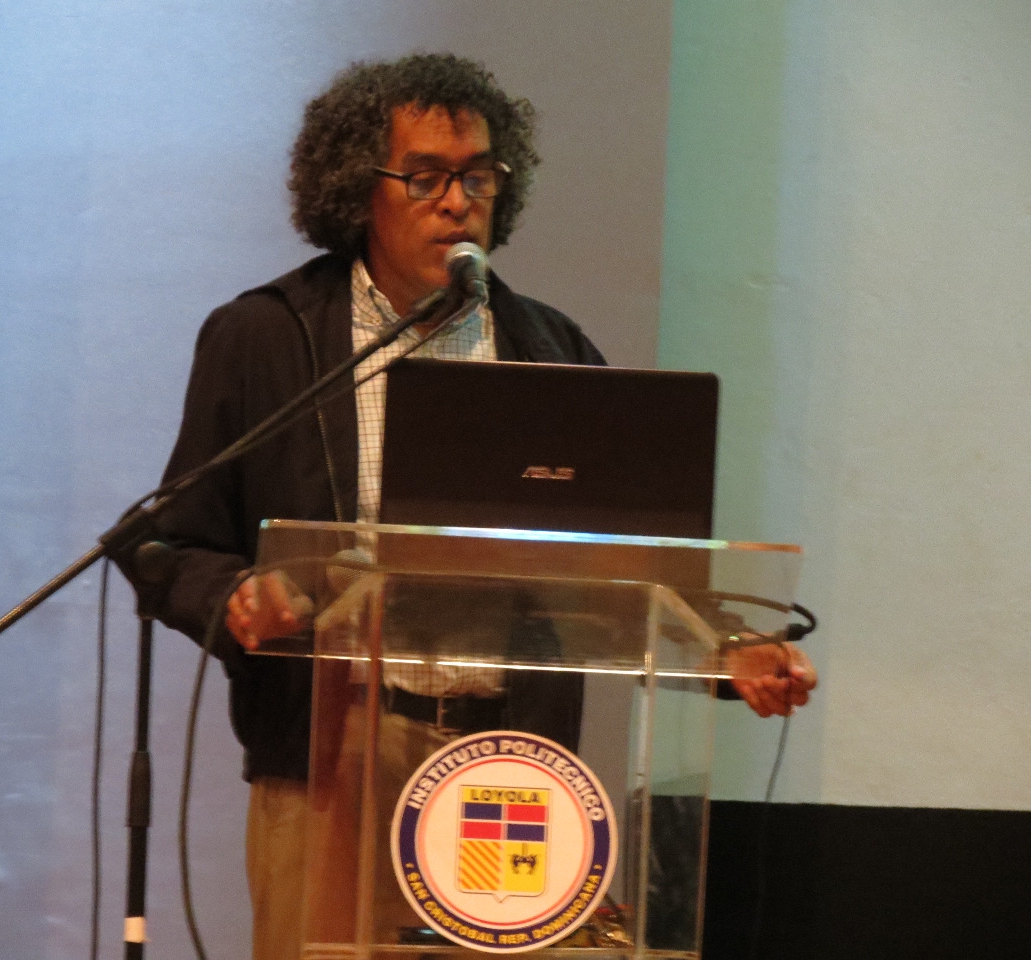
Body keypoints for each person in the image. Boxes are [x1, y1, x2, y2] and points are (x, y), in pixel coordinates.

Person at [145, 52, 815, 960]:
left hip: (513, 766)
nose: (458, 203)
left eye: (479, 177)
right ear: (357, 190)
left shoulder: (552, 348)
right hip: (336, 752)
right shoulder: (269, 338)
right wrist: (236, 598)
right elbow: (170, 544)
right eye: (425, 177)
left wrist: (729, 652)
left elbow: (632, 563)